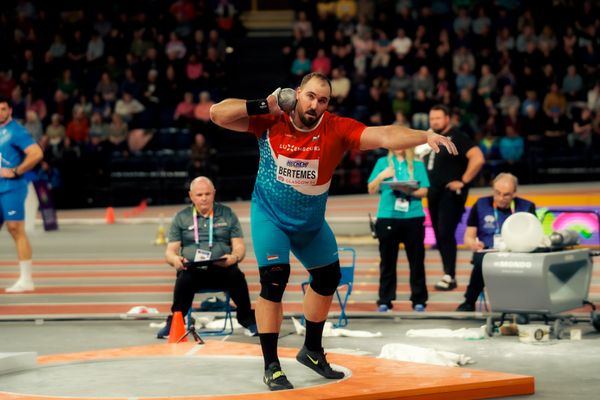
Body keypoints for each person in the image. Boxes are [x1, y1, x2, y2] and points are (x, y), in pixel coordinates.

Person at [209, 72, 457, 391]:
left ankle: (311, 350)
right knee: (274, 278)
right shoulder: (270, 119)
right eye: (310, 96)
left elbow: (385, 135)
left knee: (328, 278)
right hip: (270, 216)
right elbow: (217, 113)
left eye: (323, 100)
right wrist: (263, 104)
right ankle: (271, 365)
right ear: (297, 94)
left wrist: (425, 135)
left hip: (310, 223)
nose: (315, 104)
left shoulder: (337, 129)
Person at [157, 176, 257, 339]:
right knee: (183, 278)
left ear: (214, 194)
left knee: (237, 275)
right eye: (199, 194)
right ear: (191, 196)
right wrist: (175, 260)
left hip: (222, 269)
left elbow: (239, 246)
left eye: (207, 194)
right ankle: (175, 321)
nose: (204, 198)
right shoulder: (181, 217)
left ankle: (247, 320)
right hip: (193, 271)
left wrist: (234, 257)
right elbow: (170, 251)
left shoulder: (227, 213)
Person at [423, 105, 485, 291]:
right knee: (440, 234)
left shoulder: (457, 137)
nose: (434, 122)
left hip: (450, 194)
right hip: (433, 193)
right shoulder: (431, 138)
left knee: (445, 232)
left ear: (448, 118)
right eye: (432, 118)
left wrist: (463, 181)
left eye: (438, 118)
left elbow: (478, 157)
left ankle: (450, 275)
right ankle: (447, 274)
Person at [456, 173, 536, 311]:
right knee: (481, 261)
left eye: (506, 195)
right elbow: (468, 237)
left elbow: (534, 237)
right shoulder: (480, 204)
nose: (501, 198)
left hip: (516, 252)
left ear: (514, 194)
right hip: (488, 252)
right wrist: (473, 244)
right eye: (497, 193)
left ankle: (525, 302)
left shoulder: (526, 207)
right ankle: (469, 301)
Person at [367, 147, 430, 313]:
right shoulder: (382, 163)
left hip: (413, 216)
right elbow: (371, 188)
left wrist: (409, 190)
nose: (398, 145)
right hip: (387, 216)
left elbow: (425, 190)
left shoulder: (417, 163)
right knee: (387, 261)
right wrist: (382, 175)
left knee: (416, 261)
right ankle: (385, 300)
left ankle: (419, 300)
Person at [0, 95, 44, 292]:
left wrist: (17, 171)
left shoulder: (16, 131)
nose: (0, 113)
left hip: (12, 187)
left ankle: (27, 280)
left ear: (9, 110)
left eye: (3, 109)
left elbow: (36, 153)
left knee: (15, 228)